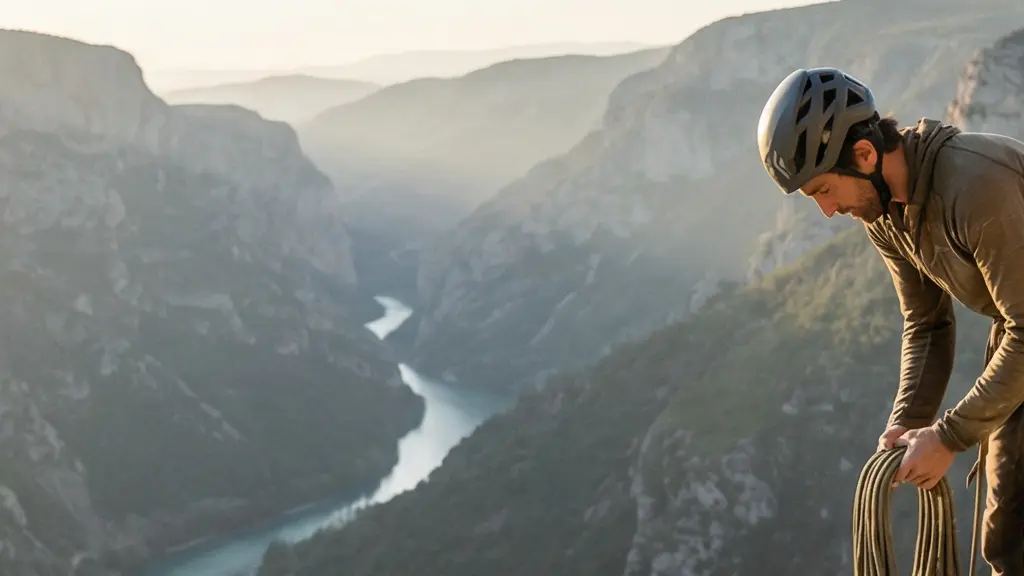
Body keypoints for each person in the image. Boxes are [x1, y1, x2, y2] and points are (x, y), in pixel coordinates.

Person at [755, 66, 1024, 575]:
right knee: (1005, 541)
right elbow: (926, 323)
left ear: (864, 154)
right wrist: (908, 421)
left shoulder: (976, 186)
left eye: (822, 191)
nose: (828, 212)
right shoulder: (886, 214)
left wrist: (948, 436)